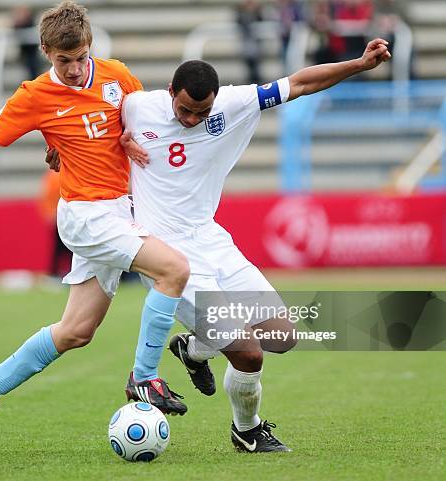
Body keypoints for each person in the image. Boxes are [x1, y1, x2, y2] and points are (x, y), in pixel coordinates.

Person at [0, 1, 190, 448]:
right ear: (46, 51)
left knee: (77, 331)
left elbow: (135, 122)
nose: (73, 67)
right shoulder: (35, 96)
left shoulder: (117, 76)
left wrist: (121, 138)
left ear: (90, 47)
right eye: (63, 60)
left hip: (119, 211)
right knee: (174, 269)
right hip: (85, 215)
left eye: (81, 57)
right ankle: (144, 378)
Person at [119, 39, 391, 452]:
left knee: (282, 336)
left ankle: (192, 350)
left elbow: (299, 83)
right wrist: (59, 148)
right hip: (168, 256)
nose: (192, 119)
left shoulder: (234, 103)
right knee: (249, 354)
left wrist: (360, 63)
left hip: (211, 240)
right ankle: (247, 430)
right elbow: (80, 125)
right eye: (184, 110)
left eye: (201, 112)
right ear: (170, 93)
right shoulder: (137, 107)